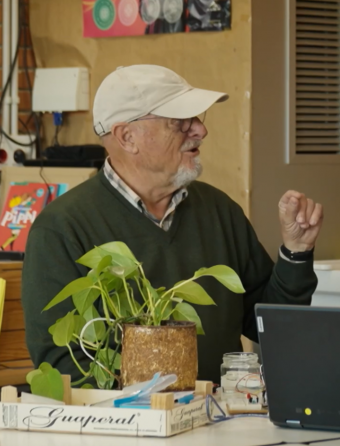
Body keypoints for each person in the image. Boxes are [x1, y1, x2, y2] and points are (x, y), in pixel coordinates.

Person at [23, 65, 322, 383]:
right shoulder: (62, 228)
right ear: (127, 137)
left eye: (196, 118)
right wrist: (154, 405)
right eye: (180, 122)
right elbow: (61, 363)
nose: (200, 131)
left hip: (220, 411)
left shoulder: (219, 210)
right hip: (124, 415)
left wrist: (296, 252)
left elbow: (272, 326)